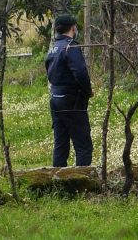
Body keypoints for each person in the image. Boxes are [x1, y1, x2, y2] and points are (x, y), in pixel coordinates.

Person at [45, 13, 94, 167]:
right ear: (73, 28)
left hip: (55, 99)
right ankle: (82, 181)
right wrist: (87, 92)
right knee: (83, 145)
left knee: (61, 144)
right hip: (72, 101)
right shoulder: (70, 46)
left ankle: (58, 182)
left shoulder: (53, 48)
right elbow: (80, 73)